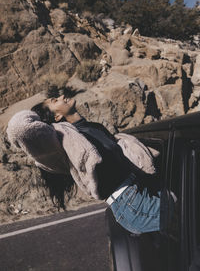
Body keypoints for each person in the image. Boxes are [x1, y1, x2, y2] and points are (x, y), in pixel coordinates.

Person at [30, 94, 162, 235]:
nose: (62, 96)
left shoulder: (93, 127)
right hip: (131, 203)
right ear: (56, 117)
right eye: (55, 101)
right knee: (185, 214)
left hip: (139, 190)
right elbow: (21, 129)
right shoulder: (75, 144)